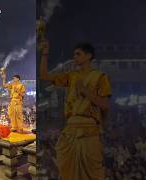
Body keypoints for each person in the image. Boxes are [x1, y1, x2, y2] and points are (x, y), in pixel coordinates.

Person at [40, 41, 112, 180]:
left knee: (92, 172)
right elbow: (44, 76)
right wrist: (44, 53)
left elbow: (105, 104)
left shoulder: (100, 77)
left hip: (88, 130)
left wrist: (85, 91)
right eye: (74, 55)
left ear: (89, 56)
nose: (75, 57)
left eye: (78, 54)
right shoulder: (72, 76)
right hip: (70, 129)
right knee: (64, 166)